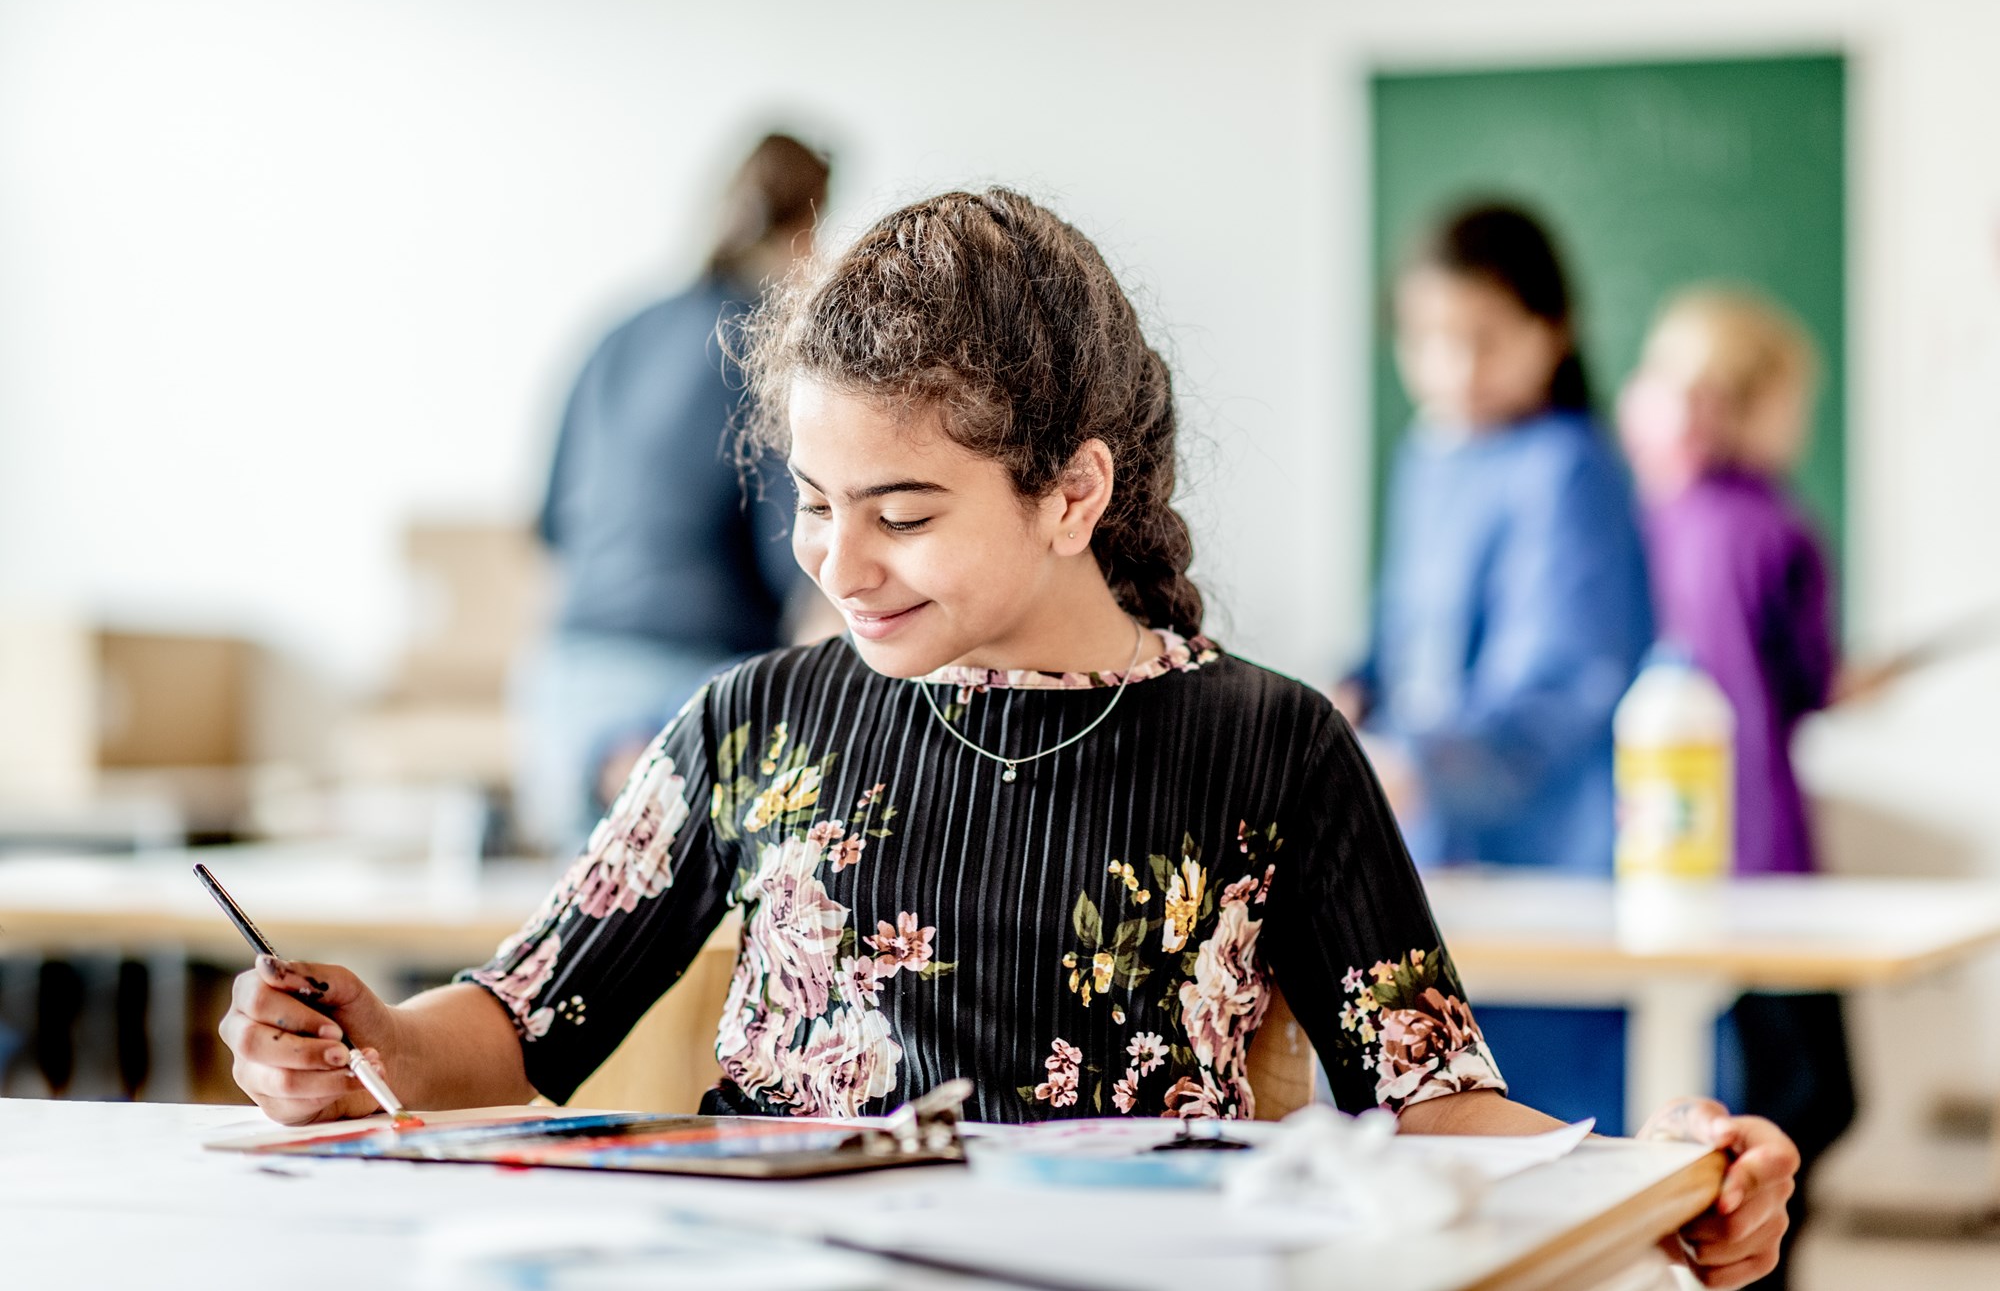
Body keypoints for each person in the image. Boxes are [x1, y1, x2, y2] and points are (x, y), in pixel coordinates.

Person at [224, 190, 1796, 1288]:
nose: (840, 564)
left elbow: (1435, 1099)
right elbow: (521, 1019)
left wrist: (1668, 1168)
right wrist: (368, 1045)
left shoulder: (1272, 746)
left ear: (1073, 492)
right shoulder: (747, 721)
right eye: (815, 504)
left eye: (904, 513)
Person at [1337, 203, 1654, 1129]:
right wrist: (1349, 695)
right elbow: (1400, 629)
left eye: (1485, 339)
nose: (1456, 368)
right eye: (1429, 340)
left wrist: (1420, 760)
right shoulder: (1428, 453)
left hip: (1546, 848)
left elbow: (1563, 683)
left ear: (1552, 330)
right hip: (1434, 844)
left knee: (1548, 1118)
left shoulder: (1570, 466)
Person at [1618, 287, 1856, 1289]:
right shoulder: (1776, 527)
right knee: (1815, 1093)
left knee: (1734, 1081)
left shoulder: (1647, 523)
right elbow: (1808, 682)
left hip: (1667, 854)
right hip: (1768, 856)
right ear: (1749, 403)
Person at [516, 132, 835, 853]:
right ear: (804, 235)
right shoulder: (765, 346)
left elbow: (551, 523)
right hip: (690, 685)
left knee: (590, 908)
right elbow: (806, 552)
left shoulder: (620, 330)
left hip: (563, 677)